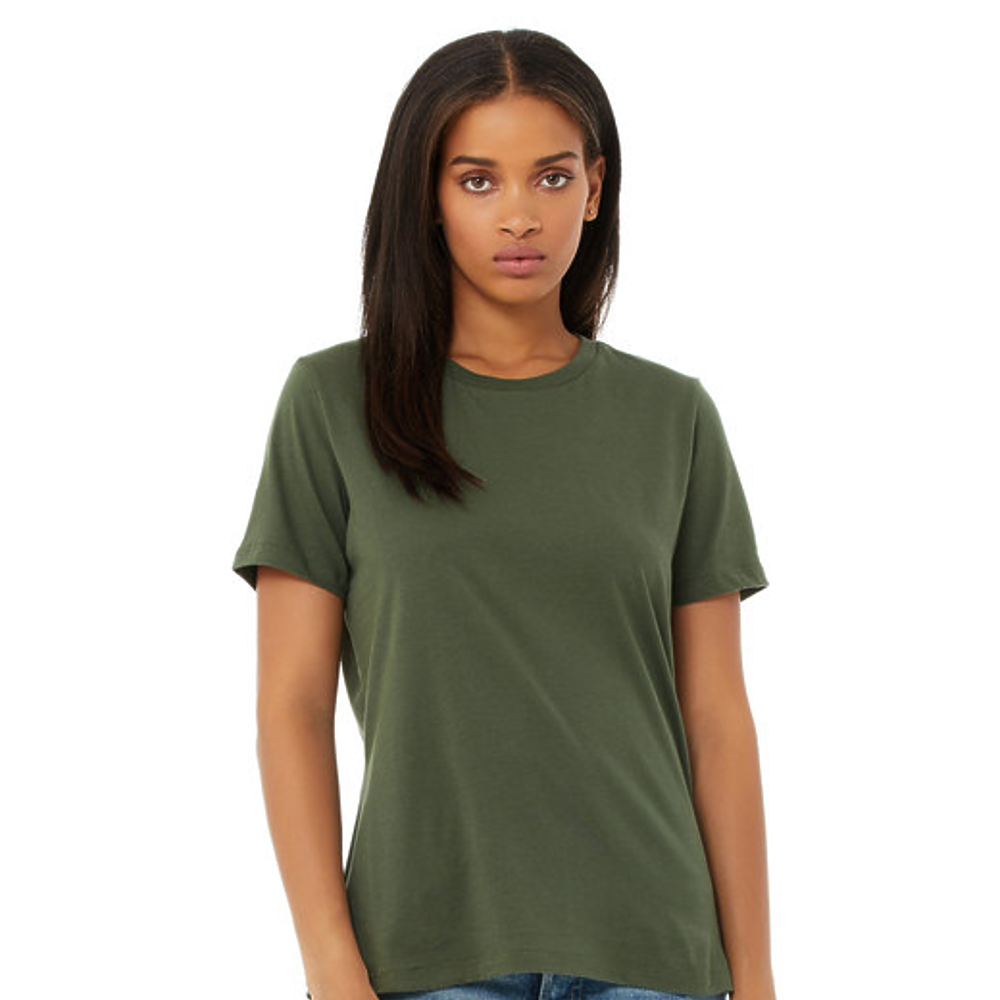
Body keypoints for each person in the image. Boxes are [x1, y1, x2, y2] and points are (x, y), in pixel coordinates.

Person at [232, 27, 776, 1000]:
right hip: (423, 953)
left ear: (595, 189)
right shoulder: (332, 403)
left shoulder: (672, 417)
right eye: (478, 180)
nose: (520, 215)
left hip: (652, 951)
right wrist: (329, 964)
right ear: (429, 196)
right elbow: (292, 705)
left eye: (552, 178)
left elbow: (717, 718)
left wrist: (758, 975)